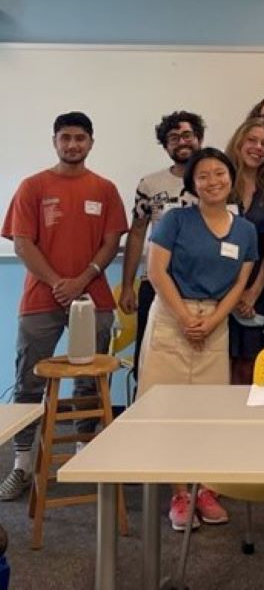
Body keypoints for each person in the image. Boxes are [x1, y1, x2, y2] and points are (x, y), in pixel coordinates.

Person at [0, 112, 128, 502]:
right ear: (55, 141)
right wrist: (58, 283)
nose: (73, 145)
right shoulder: (32, 187)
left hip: (94, 296)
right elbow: (22, 243)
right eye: (66, 137)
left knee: (90, 378)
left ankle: (81, 454)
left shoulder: (104, 189)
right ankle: (22, 464)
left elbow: (110, 243)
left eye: (80, 138)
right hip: (41, 299)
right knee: (29, 380)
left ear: (91, 142)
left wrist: (81, 279)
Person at [137, 147, 257, 530]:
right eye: (203, 176)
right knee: (167, 408)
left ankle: (204, 487)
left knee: (209, 411)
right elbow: (157, 272)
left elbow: (241, 281)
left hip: (215, 322)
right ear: (192, 184)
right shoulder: (176, 220)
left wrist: (212, 320)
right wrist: (187, 317)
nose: (213, 181)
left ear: (231, 177)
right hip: (173, 318)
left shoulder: (245, 229)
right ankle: (179, 493)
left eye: (219, 173)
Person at [118, 110, 203, 383]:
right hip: (155, 284)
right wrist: (128, 284)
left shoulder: (217, 180)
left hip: (203, 287)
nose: (181, 142)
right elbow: (137, 233)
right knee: (150, 363)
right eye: (173, 138)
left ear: (199, 138)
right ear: (166, 146)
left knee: (201, 361)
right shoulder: (150, 184)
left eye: (187, 135)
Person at [224, 118, 264, 384]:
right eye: (252, 140)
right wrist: (229, 295)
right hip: (218, 291)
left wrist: (251, 294)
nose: (258, 148)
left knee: (250, 368)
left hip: (257, 291)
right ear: (239, 142)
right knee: (219, 367)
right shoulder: (218, 185)